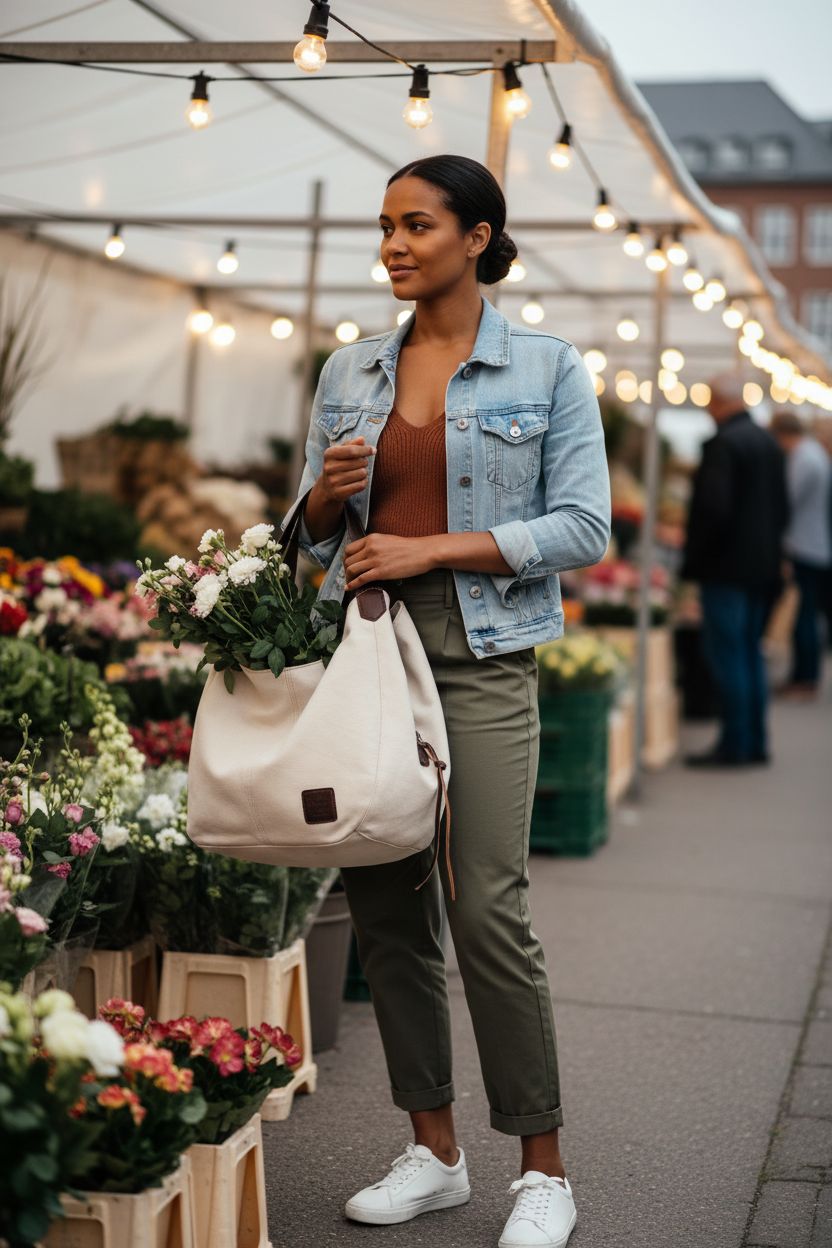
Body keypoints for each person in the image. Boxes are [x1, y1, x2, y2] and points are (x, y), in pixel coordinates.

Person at [281, 154, 610, 1248]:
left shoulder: (545, 368)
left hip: (481, 653)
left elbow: (581, 528)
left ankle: (543, 1168)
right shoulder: (349, 369)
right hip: (365, 656)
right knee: (385, 911)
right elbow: (307, 539)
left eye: (417, 224)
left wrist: (439, 544)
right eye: (384, 225)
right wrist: (323, 505)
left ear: (477, 236)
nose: (393, 243)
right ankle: (432, 1151)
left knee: (486, 907)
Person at [681, 373, 788, 766]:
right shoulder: (768, 443)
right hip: (762, 567)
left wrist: (694, 558)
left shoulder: (725, 445)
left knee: (728, 656)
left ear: (718, 402)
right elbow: (782, 510)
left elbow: (713, 510)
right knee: (748, 654)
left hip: (727, 569)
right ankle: (754, 742)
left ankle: (734, 744)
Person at [770, 411, 832, 696]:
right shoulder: (812, 455)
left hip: (806, 545)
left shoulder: (805, 458)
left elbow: (787, 498)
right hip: (813, 543)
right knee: (806, 614)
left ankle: (806, 678)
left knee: (805, 615)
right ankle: (805, 675)